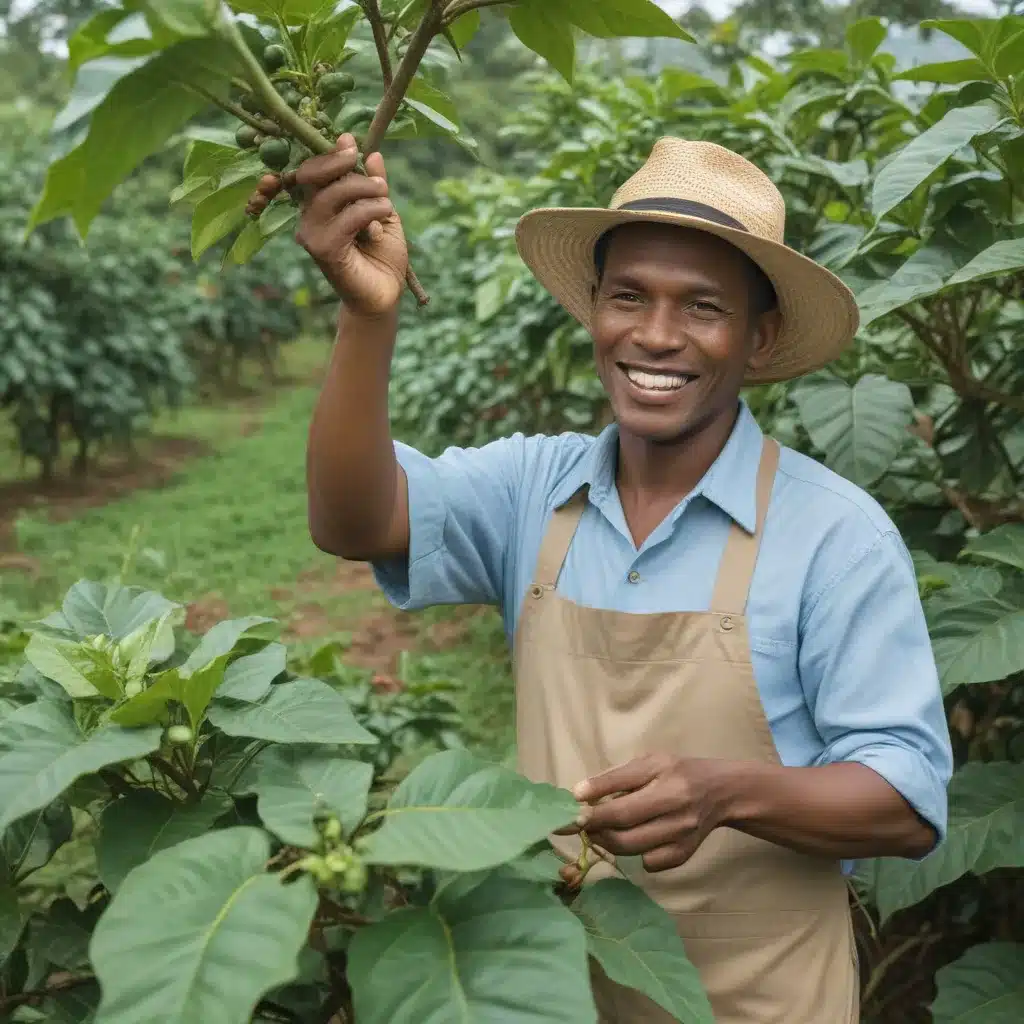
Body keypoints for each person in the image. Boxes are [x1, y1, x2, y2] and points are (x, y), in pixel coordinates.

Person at [278, 133, 953, 1023]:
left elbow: (906, 799)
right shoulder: (534, 490)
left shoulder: (834, 536)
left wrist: (727, 793)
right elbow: (352, 522)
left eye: (703, 307)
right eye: (628, 296)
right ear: (593, 308)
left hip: (762, 1004)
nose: (657, 336)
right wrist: (370, 316)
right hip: (555, 996)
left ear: (762, 336)